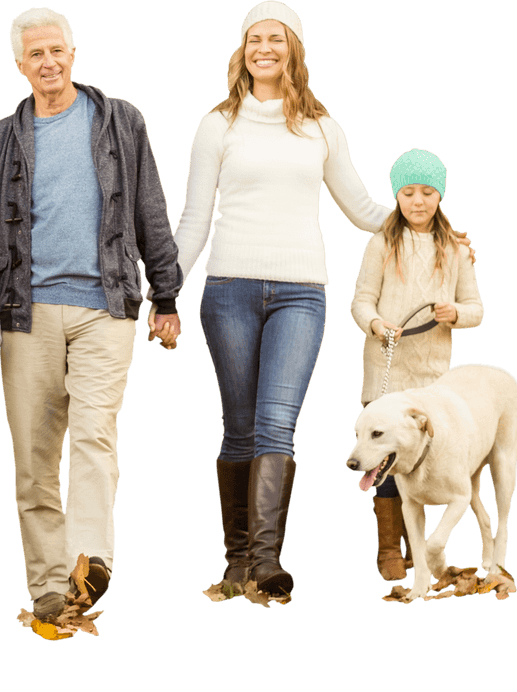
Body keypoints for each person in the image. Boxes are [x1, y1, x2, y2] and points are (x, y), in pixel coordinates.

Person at [170, 1, 475, 596]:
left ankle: (265, 564)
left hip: (302, 292)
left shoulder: (321, 128)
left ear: (294, 50)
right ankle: (235, 564)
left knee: (277, 424)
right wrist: (162, 289)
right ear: (242, 50)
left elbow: (364, 210)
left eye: (276, 39)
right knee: (238, 428)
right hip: (227, 287)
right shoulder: (217, 125)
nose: (264, 47)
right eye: (254, 38)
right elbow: (192, 220)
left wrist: (431, 220)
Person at [0, 7, 182, 623]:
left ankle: (91, 561)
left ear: (73, 53)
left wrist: (166, 296)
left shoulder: (121, 120)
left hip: (106, 308)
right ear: (19, 64)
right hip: (23, 315)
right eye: (35, 55)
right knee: (34, 460)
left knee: (93, 436)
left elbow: (150, 209)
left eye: (56, 50)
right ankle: (52, 591)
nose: (48, 62)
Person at [351, 149, 482, 580]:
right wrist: (374, 323)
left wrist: (455, 315)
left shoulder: (456, 250)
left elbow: (476, 309)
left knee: (425, 457)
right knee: (384, 455)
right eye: (408, 192)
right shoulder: (380, 244)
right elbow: (360, 300)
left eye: (427, 192)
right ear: (396, 196)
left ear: (440, 195)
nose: (418, 201)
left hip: (433, 380)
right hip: (387, 373)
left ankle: (418, 550)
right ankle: (388, 548)